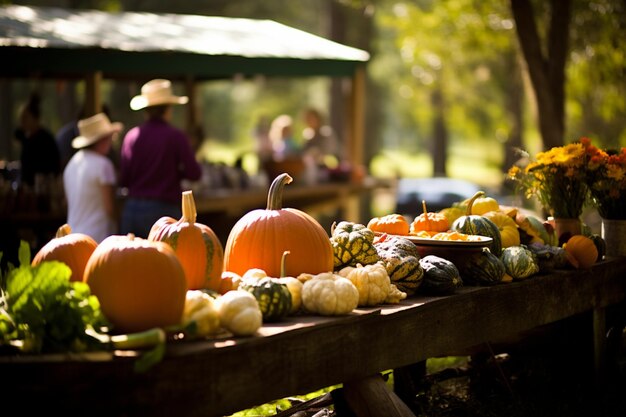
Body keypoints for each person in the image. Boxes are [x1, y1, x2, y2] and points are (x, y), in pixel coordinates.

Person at [119, 79, 202, 238]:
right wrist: (176, 172)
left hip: (132, 210)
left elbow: (124, 180)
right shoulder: (175, 136)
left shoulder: (131, 137)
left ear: (146, 110)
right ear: (168, 109)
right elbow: (194, 173)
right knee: (165, 261)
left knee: (129, 261)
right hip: (162, 211)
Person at [63, 113, 122, 243]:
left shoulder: (71, 165)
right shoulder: (104, 165)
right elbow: (110, 208)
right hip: (97, 239)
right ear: (101, 140)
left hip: (72, 237)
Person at [14, 93, 61, 187]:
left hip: (43, 187)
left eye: (25, 118)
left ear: (35, 118)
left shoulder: (46, 140)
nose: (22, 122)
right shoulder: (27, 139)